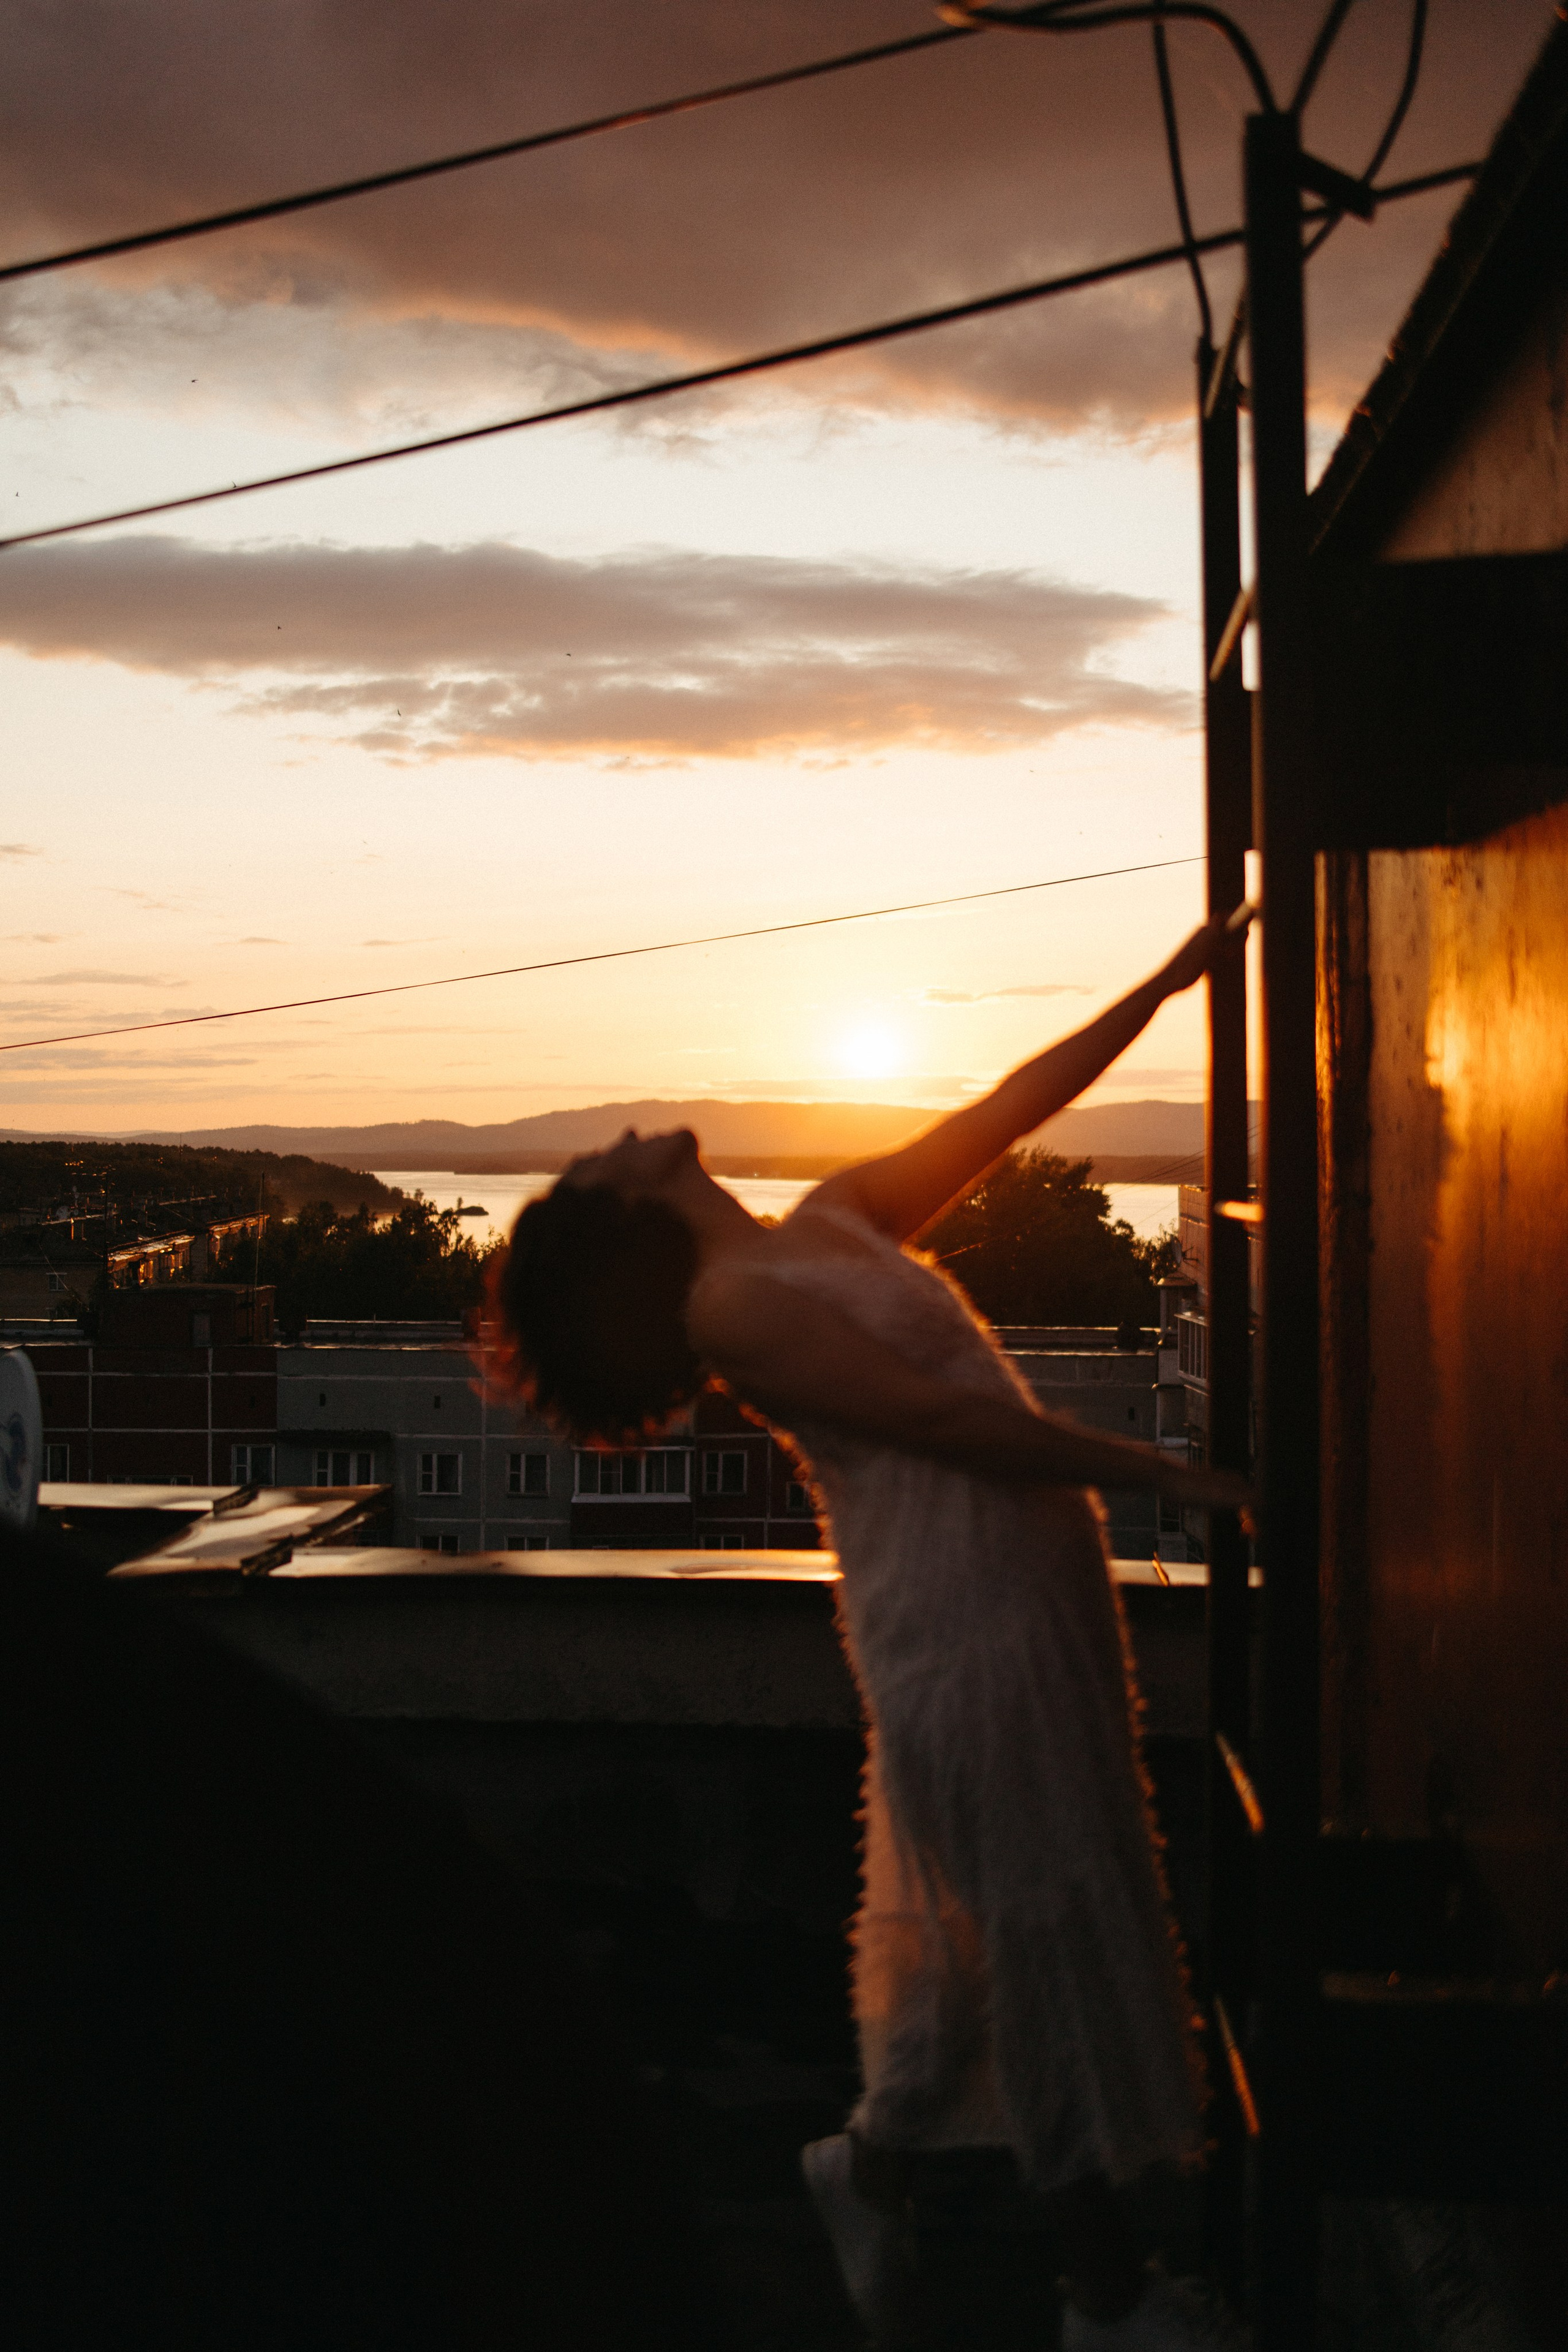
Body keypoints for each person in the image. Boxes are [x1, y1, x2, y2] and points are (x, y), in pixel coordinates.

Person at [491, 913, 1253, 2351]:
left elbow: (1000, 1111)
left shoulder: (830, 1219)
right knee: (1030, 1926)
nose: (622, 1132)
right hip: (951, 1622)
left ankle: (873, 2170)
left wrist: (1158, 986)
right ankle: (1104, 2301)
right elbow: (934, 1422)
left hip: (1025, 1588)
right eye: (594, 1156)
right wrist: (1171, 1477)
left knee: (1004, 1925)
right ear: (616, 1221)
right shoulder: (732, 1306)